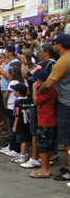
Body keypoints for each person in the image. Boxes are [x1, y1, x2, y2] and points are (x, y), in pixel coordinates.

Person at [37, 34, 70, 181]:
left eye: (54, 44)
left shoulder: (63, 60)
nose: (53, 46)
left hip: (66, 103)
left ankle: (69, 169)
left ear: (59, 46)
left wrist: (39, 90)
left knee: (68, 141)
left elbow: (49, 83)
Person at [29, 69, 57, 178]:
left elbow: (36, 101)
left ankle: (45, 170)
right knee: (42, 145)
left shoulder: (47, 91)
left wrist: (34, 89)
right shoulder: (47, 90)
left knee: (44, 146)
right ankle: (44, 167)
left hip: (46, 121)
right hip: (44, 120)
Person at [9, 83, 33, 164]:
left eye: (14, 91)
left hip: (21, 123)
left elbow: (17, 114)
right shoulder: (29, 100)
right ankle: (25, 153)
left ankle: (22, 155)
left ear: (18, 92)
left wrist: (14, 125)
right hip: (29, 123)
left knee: (22, 139)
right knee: (27, 139)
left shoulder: (18, 102)